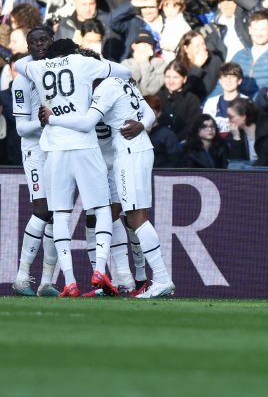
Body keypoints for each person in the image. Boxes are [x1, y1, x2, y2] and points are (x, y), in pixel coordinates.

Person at [15, 37, 132, 297]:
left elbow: (18, 63)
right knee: (101, 208)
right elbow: (126, 72)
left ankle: (69, 281)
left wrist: (42, 60)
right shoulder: (84, 62)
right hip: (84, 146)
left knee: (60, 214)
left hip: (54, 149)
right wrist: (99, 63)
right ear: (73, 51)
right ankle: (99, 269)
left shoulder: (37, 67)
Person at [43, 73, 175, 298]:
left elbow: (86, 124)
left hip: (128, 153)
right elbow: (149, 113)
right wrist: (142, 124)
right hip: (135, 150)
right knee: (118, 216)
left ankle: (161, 278)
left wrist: (52, 118)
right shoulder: (121, 82)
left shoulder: (103, 89)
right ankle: (126, 279)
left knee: (135, 218)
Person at [10, 40, 60, 297]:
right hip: (35, 151)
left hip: (58, 148)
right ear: (29, 45)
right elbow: (20, 128)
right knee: (41, 209)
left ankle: (46, 282)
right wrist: (46, 122)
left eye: (45, 40)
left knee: (57, 213)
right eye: (35, 41)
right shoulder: (21, 80)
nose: (40, 44)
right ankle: (21, 276)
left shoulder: (56, 71)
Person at [226, 97, 268, 168]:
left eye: (231, 117)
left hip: (266, 170)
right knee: (233, 165)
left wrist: (250, 172)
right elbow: (236, 160)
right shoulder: (235, 131)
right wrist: (236, 138)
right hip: (246, 168)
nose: (229, 121)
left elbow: (265, 159)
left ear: (243, 116)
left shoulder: (267, 128)